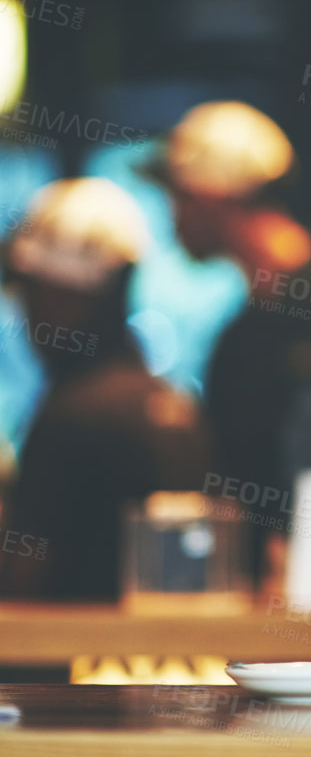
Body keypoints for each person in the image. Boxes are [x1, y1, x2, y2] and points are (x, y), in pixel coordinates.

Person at [138, 100, 311, 585]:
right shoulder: (236, 340)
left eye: (176, 197)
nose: (172, 218)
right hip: (280, 606)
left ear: (210, 196)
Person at [0, 179, 211, 598]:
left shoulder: (73, 415)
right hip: (159, 656)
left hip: (76, 658)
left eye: (29, 296)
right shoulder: (169, 403)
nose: (26, 319)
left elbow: (22, 588)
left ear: (58, 296)